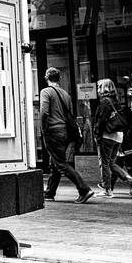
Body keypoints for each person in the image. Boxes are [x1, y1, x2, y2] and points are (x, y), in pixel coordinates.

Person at [40, 67, 93, 203]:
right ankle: (50, 192)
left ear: (47, 78)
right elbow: (69, 115)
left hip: (52, 131)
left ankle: (84, 189)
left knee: (61, 163)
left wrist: (43, 130)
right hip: (64, 132)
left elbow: (44, 112)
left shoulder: (46, 92)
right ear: (59, 78)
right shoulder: (66, 94)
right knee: (55, 162)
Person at [92, 78, 132, 198]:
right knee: (111, 163)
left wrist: (97, 135)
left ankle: (107, 189)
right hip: (118, 136)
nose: (97, 90)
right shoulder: (115, 101)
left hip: (107, 136)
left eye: (99, 87)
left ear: (103, 89)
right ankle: (131, 179)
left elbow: (101, 121)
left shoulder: (105, 102)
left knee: (104, 163)